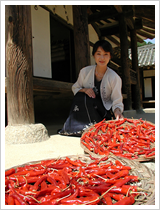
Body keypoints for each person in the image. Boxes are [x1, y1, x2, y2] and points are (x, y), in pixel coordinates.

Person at [59, 40, 124, 136]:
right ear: (94, 55)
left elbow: (117, 100)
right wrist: (85, 90)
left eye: (106, 54)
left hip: (103, 110)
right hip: (87, 107)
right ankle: (76, 127)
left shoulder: (114, 77)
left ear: (110, 56)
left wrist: (118, 112)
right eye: (99, 54)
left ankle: (96, 125)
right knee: (80, 96)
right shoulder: (85, 72)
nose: (102, 58)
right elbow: (75, 88)